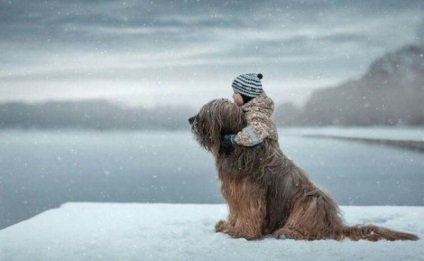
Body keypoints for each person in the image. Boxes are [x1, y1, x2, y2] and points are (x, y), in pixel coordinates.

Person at [222, 73, 279, 153]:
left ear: (246, 95)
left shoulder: (255, 114)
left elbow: (255, 135)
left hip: (265, 158)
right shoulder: (254, 110)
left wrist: (234, 139)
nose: (232, 96)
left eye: (236, 92)